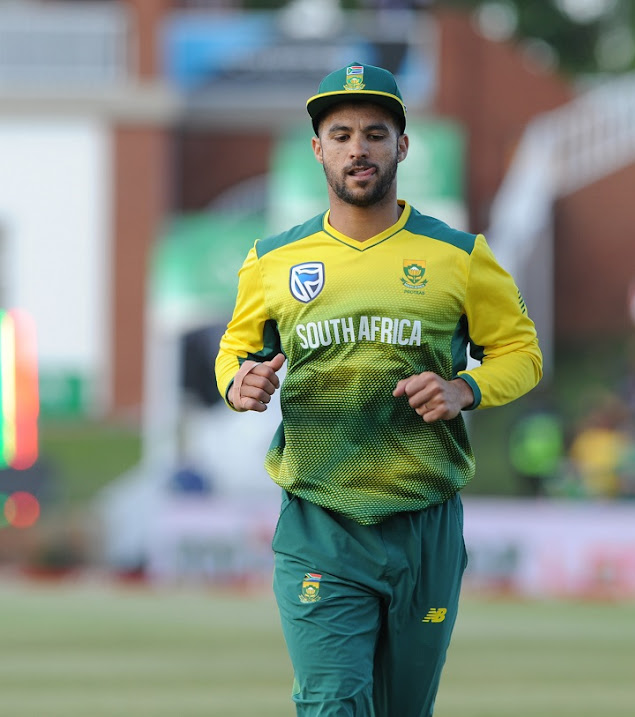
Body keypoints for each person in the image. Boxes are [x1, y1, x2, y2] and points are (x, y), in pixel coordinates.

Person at [215, 62, 543, 717]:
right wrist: (237, 382)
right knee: (334, 703)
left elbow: (521, 354)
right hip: (321, 524)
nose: (357, 148)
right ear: (318, 149)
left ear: (402, 145)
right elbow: (237, 351)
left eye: (374, 132)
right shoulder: (274, 260)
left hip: (425, 526)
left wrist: (464, 389)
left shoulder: (459, 256)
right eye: (340, 134)